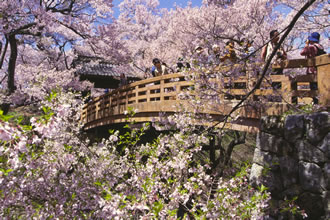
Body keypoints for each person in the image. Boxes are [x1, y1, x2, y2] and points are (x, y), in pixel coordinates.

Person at [300, 32, 325, 104]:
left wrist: (306, 44)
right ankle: (320, 103)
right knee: (319, 88)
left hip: (312, 71)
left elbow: (302, 52)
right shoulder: (320, 47)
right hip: (319, 70)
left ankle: (316, 104)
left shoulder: (311, 47)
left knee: (314, 89)